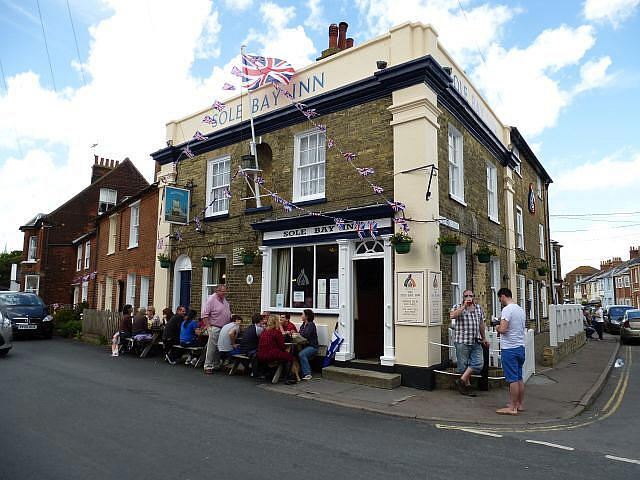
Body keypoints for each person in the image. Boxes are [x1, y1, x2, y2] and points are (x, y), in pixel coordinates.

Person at [449, 289, 489, 396]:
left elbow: (481, 323)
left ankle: (460, 381)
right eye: (466, 296)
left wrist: (484, 337)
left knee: (479, 363)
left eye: (470, 295)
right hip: (462, 341)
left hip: (476, 340)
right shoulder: (458, 306)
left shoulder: (478, 308)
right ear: (463, 297)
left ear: (474, 296)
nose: (468, 297)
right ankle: (467, 387)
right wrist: (464, 307)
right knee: (462, 366)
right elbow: (452, 315)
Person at [495, 288, 527, 415]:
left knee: (512, 379)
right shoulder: (520, 309)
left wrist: (497, 326)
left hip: (509, 348)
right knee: (519, 378)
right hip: (520, 347)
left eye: (499, 298)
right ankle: (519, 404)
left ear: (503, 296)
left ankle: (512, 408)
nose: (500, 301)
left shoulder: (507, 309)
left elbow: (503, 329)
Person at [202, 285, 232, 374]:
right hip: (215, 326)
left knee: (219, 347)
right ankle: (208, 365)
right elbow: (204, 314)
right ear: (217, 291)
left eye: (225, 291)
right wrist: (208, 327)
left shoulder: (224, 300)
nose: (224, 293)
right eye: (222, 291)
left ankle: (216, 364)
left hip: (223, 327)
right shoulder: (211, 299)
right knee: (211, 347)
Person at [298, 309, 319, 381]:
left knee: (302, 354)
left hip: (312, 346)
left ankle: (307, 373)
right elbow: (300, 334)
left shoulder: (311, 325)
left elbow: (306, 335)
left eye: (302, 314)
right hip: (305, 345)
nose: (301, 316)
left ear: (306, 316)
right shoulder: (302, 325)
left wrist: (298, 335)